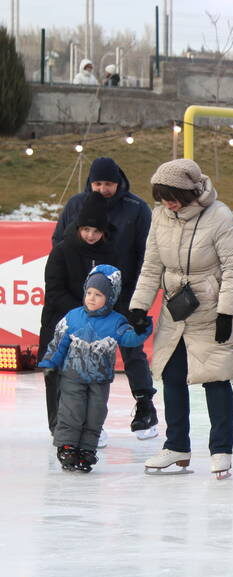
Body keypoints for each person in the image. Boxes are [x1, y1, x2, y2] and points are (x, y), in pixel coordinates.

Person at [129, 159, 233, 479]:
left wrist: (225, 311)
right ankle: (176, 446)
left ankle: (221, 450)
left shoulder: (219, 216)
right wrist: (139, 306)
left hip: (211, 309)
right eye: (162, 196)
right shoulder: (160, 217)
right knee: (172, 375)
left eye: (173, 195)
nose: (169, 202)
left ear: (191, 191)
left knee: (214, 377)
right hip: (176, 309)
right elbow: (152, 266)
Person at [53, 157, 156, 439]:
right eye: (97, 183)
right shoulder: (76, 204)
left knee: (132, 350)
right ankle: (82, 421)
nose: (102, 189)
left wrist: (138, 297)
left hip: (124, 292)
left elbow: (146, 254)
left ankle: (145, 405)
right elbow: (59, 243)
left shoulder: (136, 208)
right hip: (85, 296)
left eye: (108, 184)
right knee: (83, 354)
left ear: (118, 182)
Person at [39, 265, 152, 472]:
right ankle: (67, 446)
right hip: (72, 376)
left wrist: (142, 328)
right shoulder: (73, 317)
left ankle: (87, 449)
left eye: (98, 294)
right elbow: (58, 343)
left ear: (109, 298)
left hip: (100, 379)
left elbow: (129, 339)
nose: (91, 298)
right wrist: (50, 364)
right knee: (71, 412)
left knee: (95, 414)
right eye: (89, 293)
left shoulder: (116, 322)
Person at [41, 193, 118, 442]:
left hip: (95, 332)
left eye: (96, 230)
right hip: (60, 324)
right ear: (78, 227)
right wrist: (81, 314)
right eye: (86, 229)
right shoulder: (62, 250)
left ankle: (87, 429)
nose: (90, 235)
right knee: (57, 378)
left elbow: (115, 290)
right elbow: (54, 290)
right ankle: (59, 428)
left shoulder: (109, 254)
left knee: (90, 380)